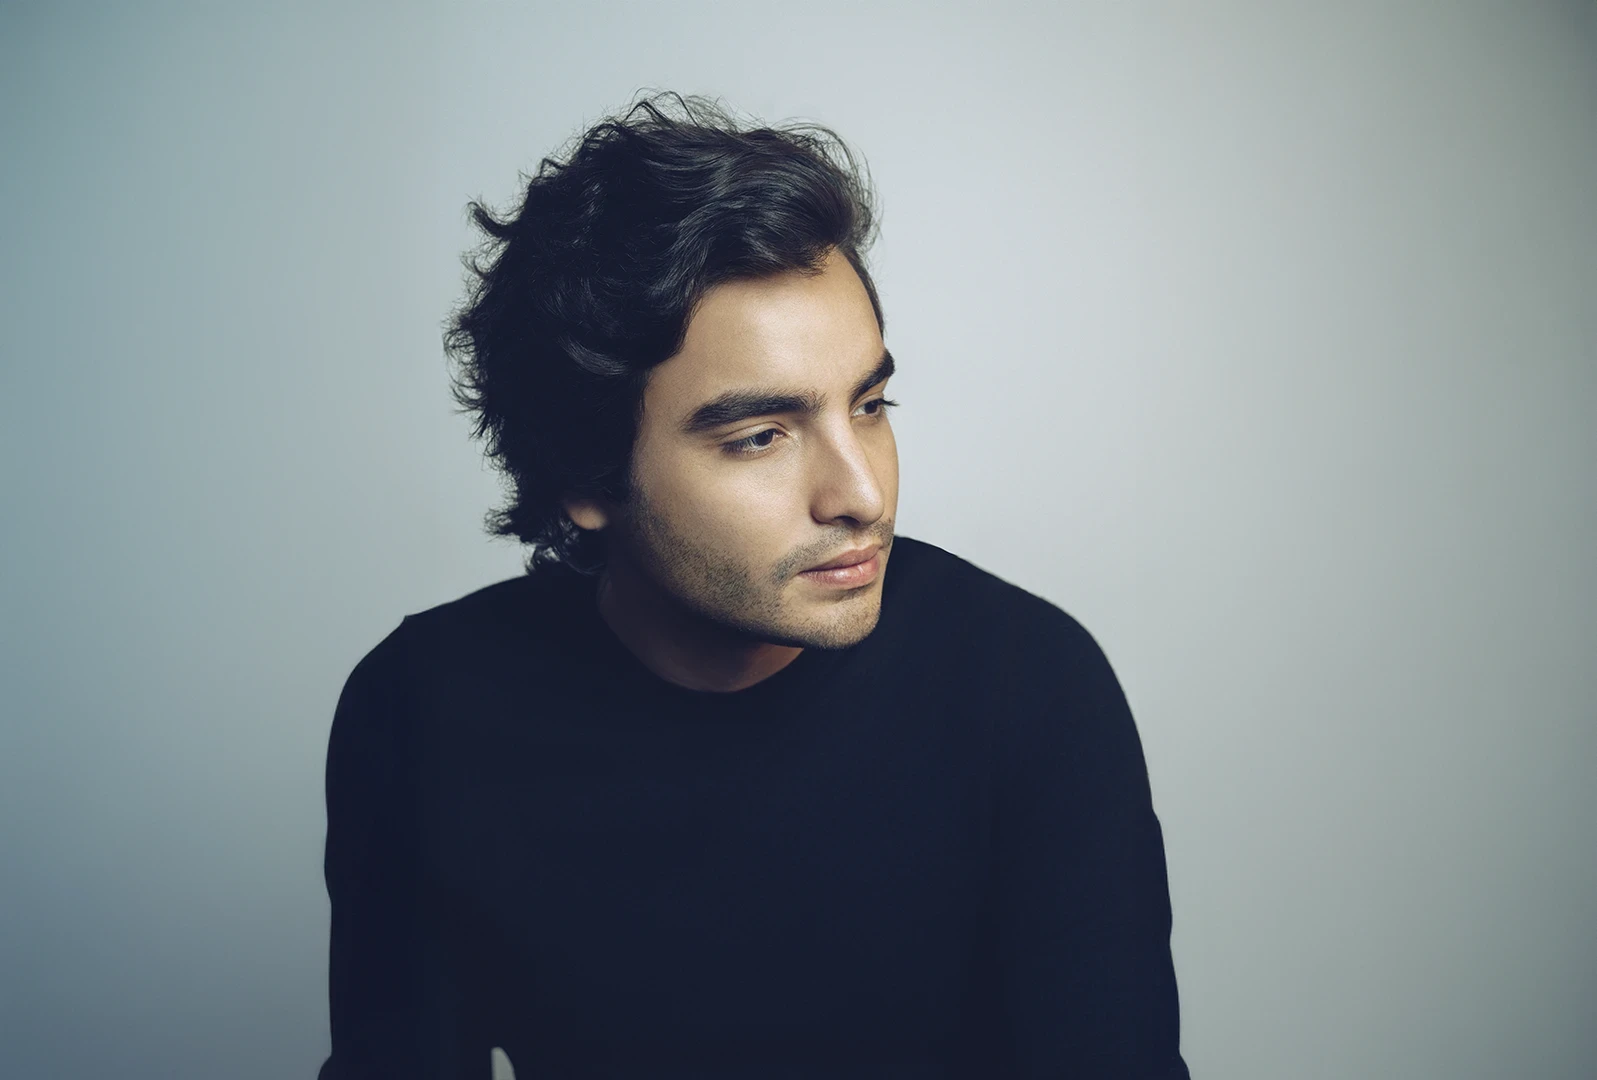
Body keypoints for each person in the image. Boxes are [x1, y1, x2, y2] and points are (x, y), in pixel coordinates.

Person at [318, 91, 1190, 1079]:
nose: (861, 494)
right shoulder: (424, 711)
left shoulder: (1026, 689)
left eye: (869, 405)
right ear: (583, 475)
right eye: (760, 437)